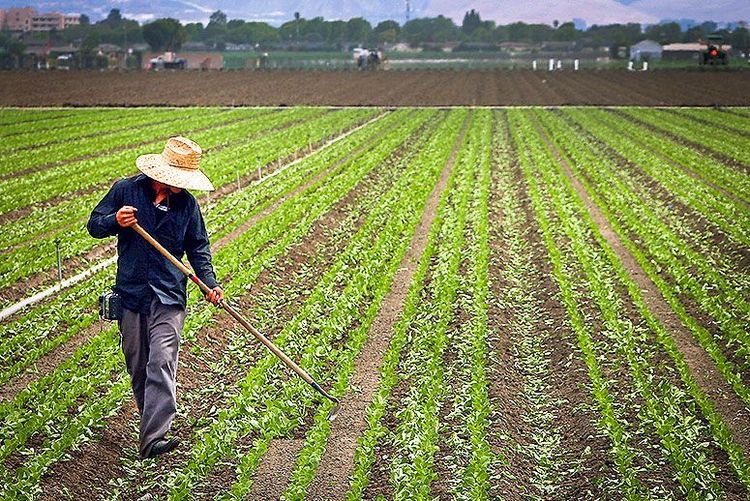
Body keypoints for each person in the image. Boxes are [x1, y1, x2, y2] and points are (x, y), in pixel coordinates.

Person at [87, 136, 224, 459]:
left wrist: (210, 283)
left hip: (169, 294)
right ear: (160, 173)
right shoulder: (126, 190)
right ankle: (150, 425)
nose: (177, 186)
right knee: (138, 365)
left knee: (161, 360)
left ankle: (153, 439)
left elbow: (198, 248)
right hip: (132, 292)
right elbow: (94, 225)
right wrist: (114, 221)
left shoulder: (187, 205)